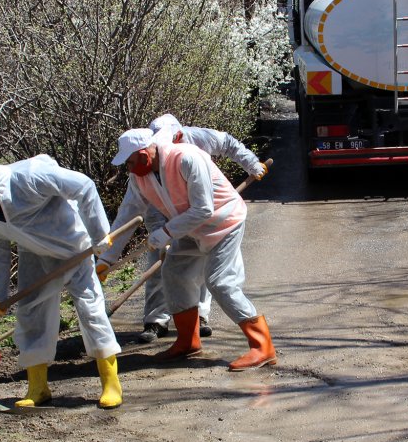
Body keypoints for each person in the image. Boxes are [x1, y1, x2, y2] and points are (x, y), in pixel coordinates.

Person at [0, 156, 123, 409]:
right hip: (35, 256)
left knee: (90, 310)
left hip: (75, 248)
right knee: (31, 315)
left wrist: (99, 233)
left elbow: (83, 185)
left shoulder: (29, 177)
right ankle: (37, 388)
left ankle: (110, 383)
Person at [100, 128, 276, 371]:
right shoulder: (139, 177)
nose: (128, 168)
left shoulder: (187, 158)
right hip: (189, 228)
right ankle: (188, 341)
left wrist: (166, 232)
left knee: (220, 282)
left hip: (223, 223)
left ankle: (262, 346)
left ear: (143, 155)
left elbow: (203, 209)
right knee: (173, 274)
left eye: (130, 162)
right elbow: (126, 215)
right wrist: (106, 260)